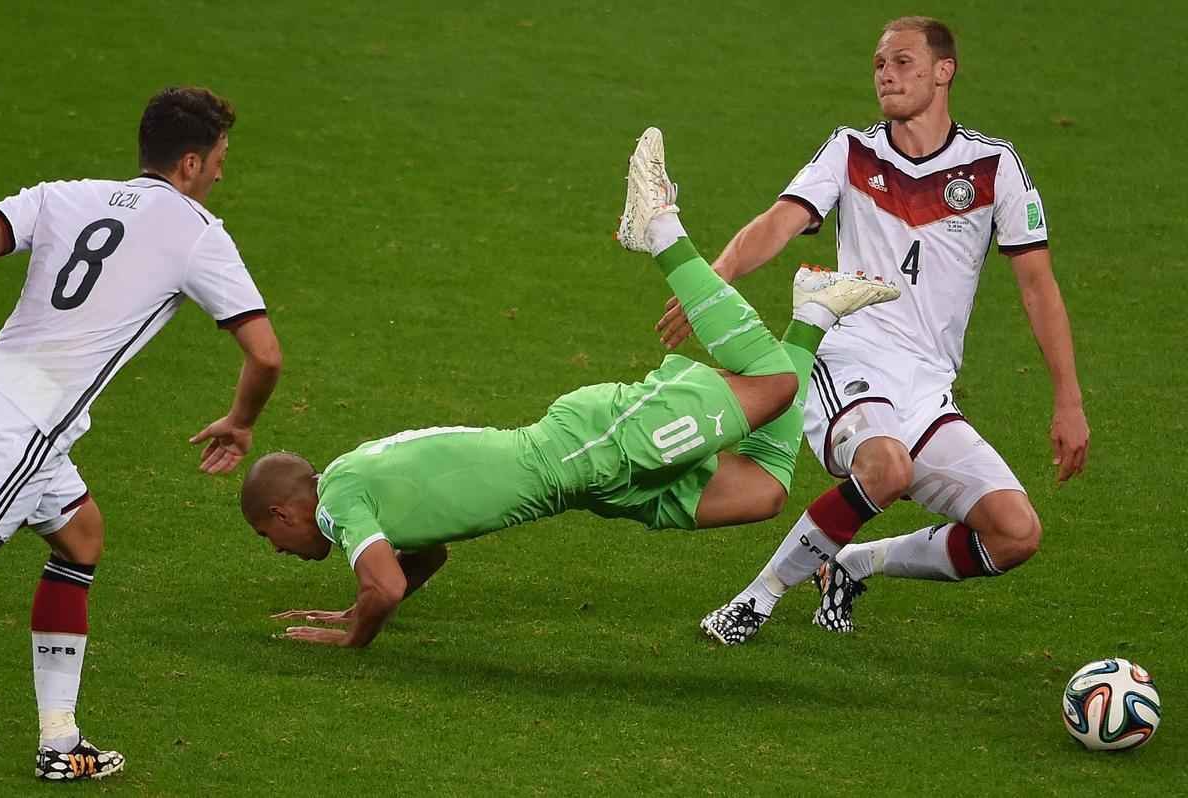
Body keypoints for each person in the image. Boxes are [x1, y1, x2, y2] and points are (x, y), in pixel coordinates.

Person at [240, 129, 897, 649]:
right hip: (591, 481)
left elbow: (383, 584)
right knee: (764, 491)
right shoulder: (357, 474)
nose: (284, 552)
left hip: (588, 448)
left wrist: (353, 631)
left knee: (776, 384)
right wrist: (366, 596)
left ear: (285, 514)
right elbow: (426, 557)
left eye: (273, 542)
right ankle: (811, 311)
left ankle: (660, 229)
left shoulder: (335, 506)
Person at [690, 16, 1090, 645]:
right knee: (887, 468)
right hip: (849, 357)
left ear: (943, 71)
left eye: (902, 62)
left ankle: (851, 563)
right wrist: (710, 280)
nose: (886, 74)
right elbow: (778, 222)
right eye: (879, 64)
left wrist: (1068, 399)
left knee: (1016, 532)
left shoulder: (993, 168)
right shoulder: (852, 151)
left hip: (927, 388)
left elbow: (1038, 286)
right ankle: (756, 598)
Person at [0, 87, 282, 780]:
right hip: (19, 429)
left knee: (81, 535)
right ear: (188, 162)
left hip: (16, 405)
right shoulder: (198, 234)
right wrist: (240, 423)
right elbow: (265, 353)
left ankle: (60, 742)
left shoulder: (64, 194)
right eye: (218, 161)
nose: (220, 174)